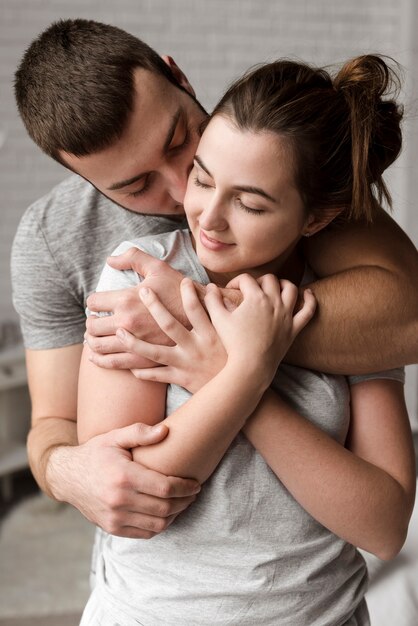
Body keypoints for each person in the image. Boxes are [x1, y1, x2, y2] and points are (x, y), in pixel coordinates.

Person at [11, 19, 418, 540]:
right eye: (138, 187)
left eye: (181, 141)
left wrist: (189, 314)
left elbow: (406, 314)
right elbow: (51, 425)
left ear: (179, 77)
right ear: (83, 180)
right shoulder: (54, 240)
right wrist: (66, 473)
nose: (186, 192)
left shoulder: (275, 160)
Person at [76, 56, 416, 625]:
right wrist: (245, 368)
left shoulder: (352, 311)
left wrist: (236, 371)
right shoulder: (140, 278)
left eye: (252, 203)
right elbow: (136, 496)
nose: (209, 217)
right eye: (203, 178)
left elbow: (383, 528)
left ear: (317, 217)